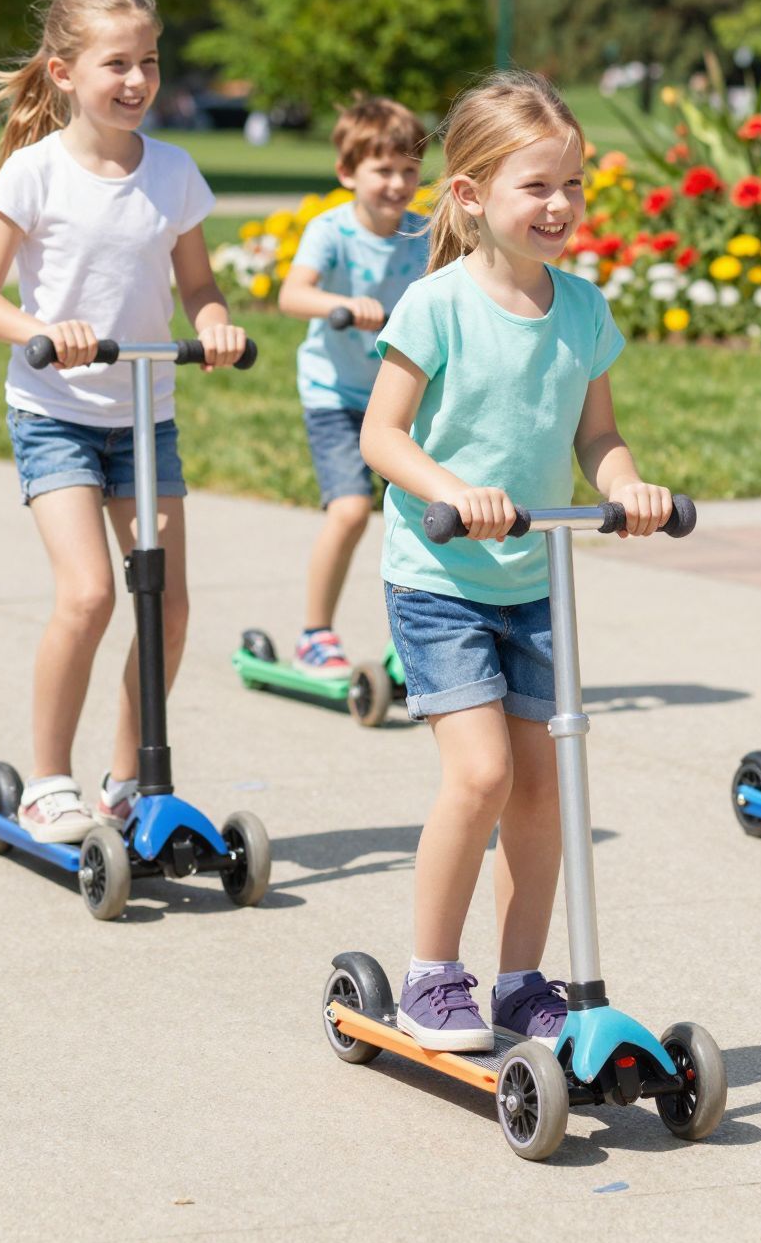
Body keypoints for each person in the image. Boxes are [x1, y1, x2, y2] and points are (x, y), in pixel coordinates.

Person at [360, 70, 674, 1052]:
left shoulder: (582, 309)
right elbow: (383, 434)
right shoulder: (438, 304)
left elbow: (599, 436)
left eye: (573, 185)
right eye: (537, 185)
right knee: (483, 772)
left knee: (544, 784)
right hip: (441, 578)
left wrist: (626, 485)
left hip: (539, 580)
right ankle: (428, 974)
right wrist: (449, 487)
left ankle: (522, 978)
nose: (561, 205)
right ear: (468, 196)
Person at [0, 0, 246, 845]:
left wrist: (218, 324)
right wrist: (45, 330)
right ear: (63, 73)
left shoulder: (174, 172)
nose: (136, 80)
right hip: (55, 414)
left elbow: (198, 285)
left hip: (146, 421)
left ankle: (126, 780)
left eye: (149, 61)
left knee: (170, 604)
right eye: (116, 63)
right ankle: (47, 781)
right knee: (87, 596)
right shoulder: (34, 174)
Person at [277, 97, 430, 671]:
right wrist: (343, 304)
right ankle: (315, 633)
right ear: (347, 173)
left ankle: (423, 636)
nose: (398, 183)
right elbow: (293, 295)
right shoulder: (330, 231)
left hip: (404, 400)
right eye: (383, 170)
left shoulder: (425, 233)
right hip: (335, 395)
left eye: (409, 171)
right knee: (348, 511)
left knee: (425, 515)